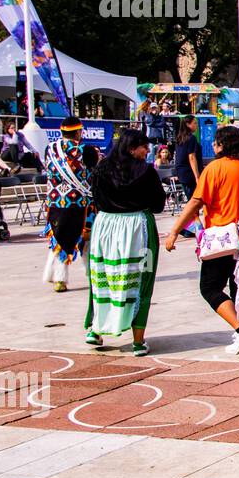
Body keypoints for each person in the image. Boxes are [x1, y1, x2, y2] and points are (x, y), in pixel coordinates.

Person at [163, 125, 239, 357]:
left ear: (223, 145)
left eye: (215, 143)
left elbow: (196, 202)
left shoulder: (216, 168)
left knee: (210, 288)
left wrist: (174, 231)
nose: (213, 147)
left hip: (224, 240)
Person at [85, 129, 165, 356]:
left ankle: (95, 329)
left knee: (102, 275)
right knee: (141, 279)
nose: (148, 150)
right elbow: (158, 203)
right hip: (137, 227)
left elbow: (95, 198)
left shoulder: (101, 167)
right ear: (132, 148)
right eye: (144, 147)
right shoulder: (146, 171)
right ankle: (138, 341)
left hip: (105, 227)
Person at [42, 118, 96, 293]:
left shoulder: (50, 149)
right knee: (87, 241)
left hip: (55, 203)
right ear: (79, 132)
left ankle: (57, 276)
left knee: (58, 239)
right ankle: (92, 275)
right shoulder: (87, 150)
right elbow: (95, 171)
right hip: (81, 204)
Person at [172, 115, 203, 200]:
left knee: (191, 198)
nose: (196, 125)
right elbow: (191, 157)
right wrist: (197, 176)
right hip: (189, 172)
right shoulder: (191, 138)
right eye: (194, 123)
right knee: (194, 199)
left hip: (182, 171)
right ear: (188, 124)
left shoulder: (179, 138)